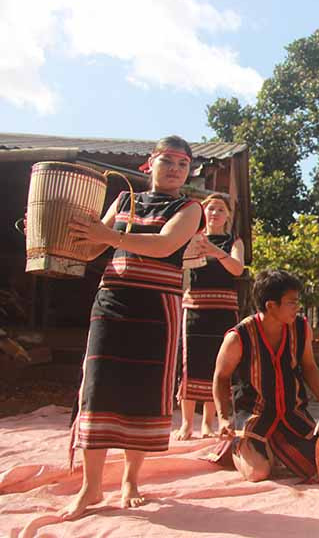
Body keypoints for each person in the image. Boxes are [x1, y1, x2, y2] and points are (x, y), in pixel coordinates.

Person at [63, 136, 203, 519]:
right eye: (168, 160)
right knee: (98, 388)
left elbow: (164, 244)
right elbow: (93, 248)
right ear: (150, 163)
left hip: (158, 306)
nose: (175, 168)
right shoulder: (124, 200)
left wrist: (108, 236)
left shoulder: (190, 208)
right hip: (112, 300)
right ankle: (91, 489)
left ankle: (131, 480)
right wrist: (61, 231)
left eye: (182, 164)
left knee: (142, 391)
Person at [211, 270, 319, 483]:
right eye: (292, 302)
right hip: (255, 414)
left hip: (292, 414)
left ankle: (275, 448)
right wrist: (223, 418)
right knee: (258, 473)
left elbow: (309, 366)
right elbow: (220, 377)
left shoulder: (301, 327)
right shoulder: (239, 336)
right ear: (271, 305)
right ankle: (238, 446)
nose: (297, 307)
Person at [175, 194, 245, 440]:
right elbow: (179, 264)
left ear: (227, 216)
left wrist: (216, 251)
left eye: (220, 209)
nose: (214, 213)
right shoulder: (192, 238)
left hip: (224, 309)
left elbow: (237, 269)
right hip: (195, 307)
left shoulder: (234, 241)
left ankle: (208, 423)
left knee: (219, 365)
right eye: (210, 208)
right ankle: (186, 424)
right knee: (191, 363)